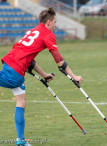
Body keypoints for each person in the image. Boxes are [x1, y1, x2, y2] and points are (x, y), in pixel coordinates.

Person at [0, 7, 83, 146]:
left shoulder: (33, 30)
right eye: (55, 22)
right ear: (49, 22)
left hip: (9, 66)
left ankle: (20, 140)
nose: (56, 25)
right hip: (15, 72)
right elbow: (59, 60)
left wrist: (44, 75)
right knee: (21, 101)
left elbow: (29, 59)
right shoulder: (48, 35)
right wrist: (74, 76)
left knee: (21, 102)